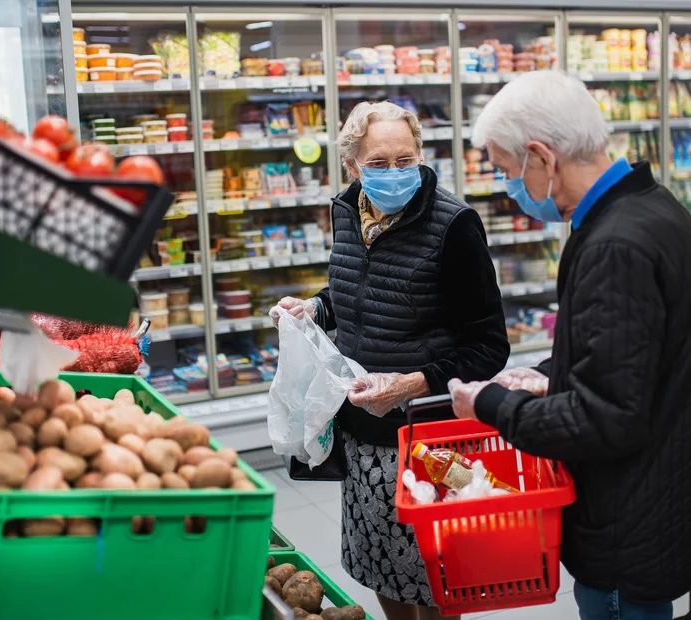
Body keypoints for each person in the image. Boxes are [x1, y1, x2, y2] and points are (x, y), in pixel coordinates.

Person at [447, 71, 691, 620]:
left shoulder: (614, 246)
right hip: (659, 499)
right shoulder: (655, 209)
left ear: (542, 157)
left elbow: (606, 419)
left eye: (510, 172)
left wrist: (488, 404)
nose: (511, 189)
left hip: (624, 528)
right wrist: (549, 373)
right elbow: (634, 357)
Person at [270, 101, 509, 620]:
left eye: (406, 160)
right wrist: (314, 306)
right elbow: (355, 293)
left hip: (427, 438)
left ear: (422, 154)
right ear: (352, 165)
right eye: (379, 163)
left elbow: (489, 346)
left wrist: (411, 384)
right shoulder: (347, 210)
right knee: (380, 565)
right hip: (362, 430)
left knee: (437, 575)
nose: (396, 173)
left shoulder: (455, 225)